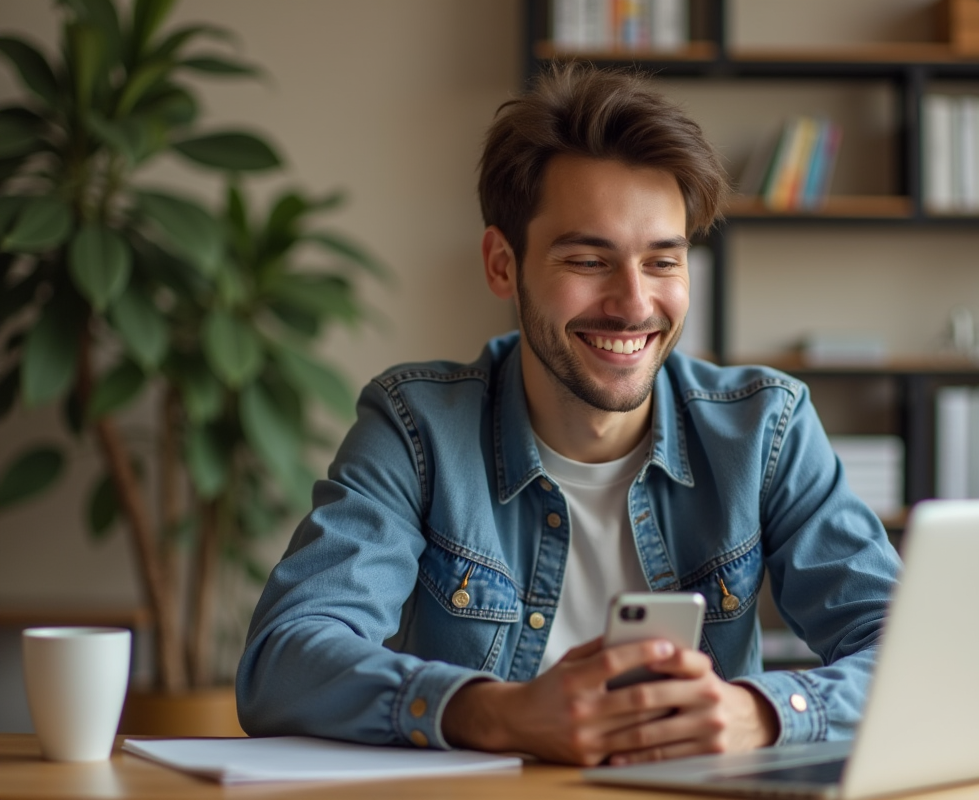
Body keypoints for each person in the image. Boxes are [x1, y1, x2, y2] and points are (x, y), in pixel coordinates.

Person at [237, 63, 900, 767]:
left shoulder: (765, 428)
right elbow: (285, 659)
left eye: (663, 263)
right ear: (502, 264)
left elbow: (908, 648)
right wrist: (496, 712)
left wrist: (764, 715)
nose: (635, 304)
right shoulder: (417, 429)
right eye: (589, 260)